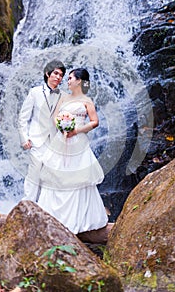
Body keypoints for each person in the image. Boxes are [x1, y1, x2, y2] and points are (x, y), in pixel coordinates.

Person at [37, 68, 108, 235]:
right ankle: (52, 217)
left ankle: (77, 221)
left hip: (78, 140)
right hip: (61, 140)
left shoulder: (87, 100)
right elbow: (54, 117)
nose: (67, 81)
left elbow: (95, 121)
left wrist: (76, 130)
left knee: (77, 178)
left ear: (79, 81)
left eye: (70, 78)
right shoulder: (62, 98)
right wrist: (61, 126)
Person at [18, 59, 66, 202]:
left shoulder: (63, 95)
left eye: (61, 75)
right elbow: (23, 117)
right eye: (56, 73)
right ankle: (28, 203)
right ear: (47, 74)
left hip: (55, 141)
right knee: (34, 172)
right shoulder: (35, 92)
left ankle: (45, 206)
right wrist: (24, 138)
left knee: (50, 175)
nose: (58, 77)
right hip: (36, 139)